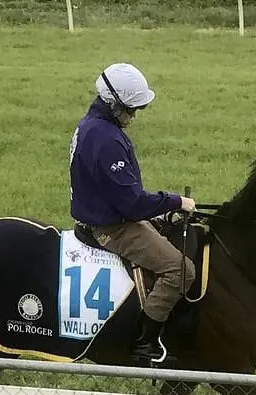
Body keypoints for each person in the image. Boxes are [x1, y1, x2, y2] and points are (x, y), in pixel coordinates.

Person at [68, 62, 196, 365]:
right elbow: (133, 204)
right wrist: (175, 202)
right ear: (114, 105)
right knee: (181, 270)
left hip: (107, 214)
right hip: (113, 227)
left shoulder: (92, 125)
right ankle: (146, 344)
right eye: (132, 110)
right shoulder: (106, 138)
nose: (134, 116)